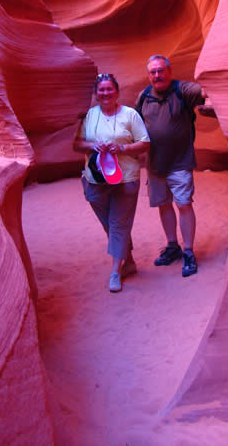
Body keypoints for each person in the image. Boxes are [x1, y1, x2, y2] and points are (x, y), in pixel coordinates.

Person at [136, 55, 215, 278]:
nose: (157, 75)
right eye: (152, 72)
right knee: (164, 205)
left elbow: (207, 91)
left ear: (169, 71)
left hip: (179, 162)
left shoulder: (184, 90)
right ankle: (173, 246)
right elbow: (135, 124)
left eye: (160, 71)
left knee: (183, 205)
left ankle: (188, 251)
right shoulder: (143, 96)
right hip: (155, 163)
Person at [73, 73, 150, 293]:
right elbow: (77, 144)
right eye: (101, 90)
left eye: (109, 89)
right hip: (96, 179)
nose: (105, 93)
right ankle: (130, 261)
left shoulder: (130, 115)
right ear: (96, 93)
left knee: (118, 223)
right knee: (111, 223)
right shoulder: (89, 116)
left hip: (125, 178)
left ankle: (116, 271)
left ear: (117, 91)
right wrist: (92, 145)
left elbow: (145, 143)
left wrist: (123, 148)